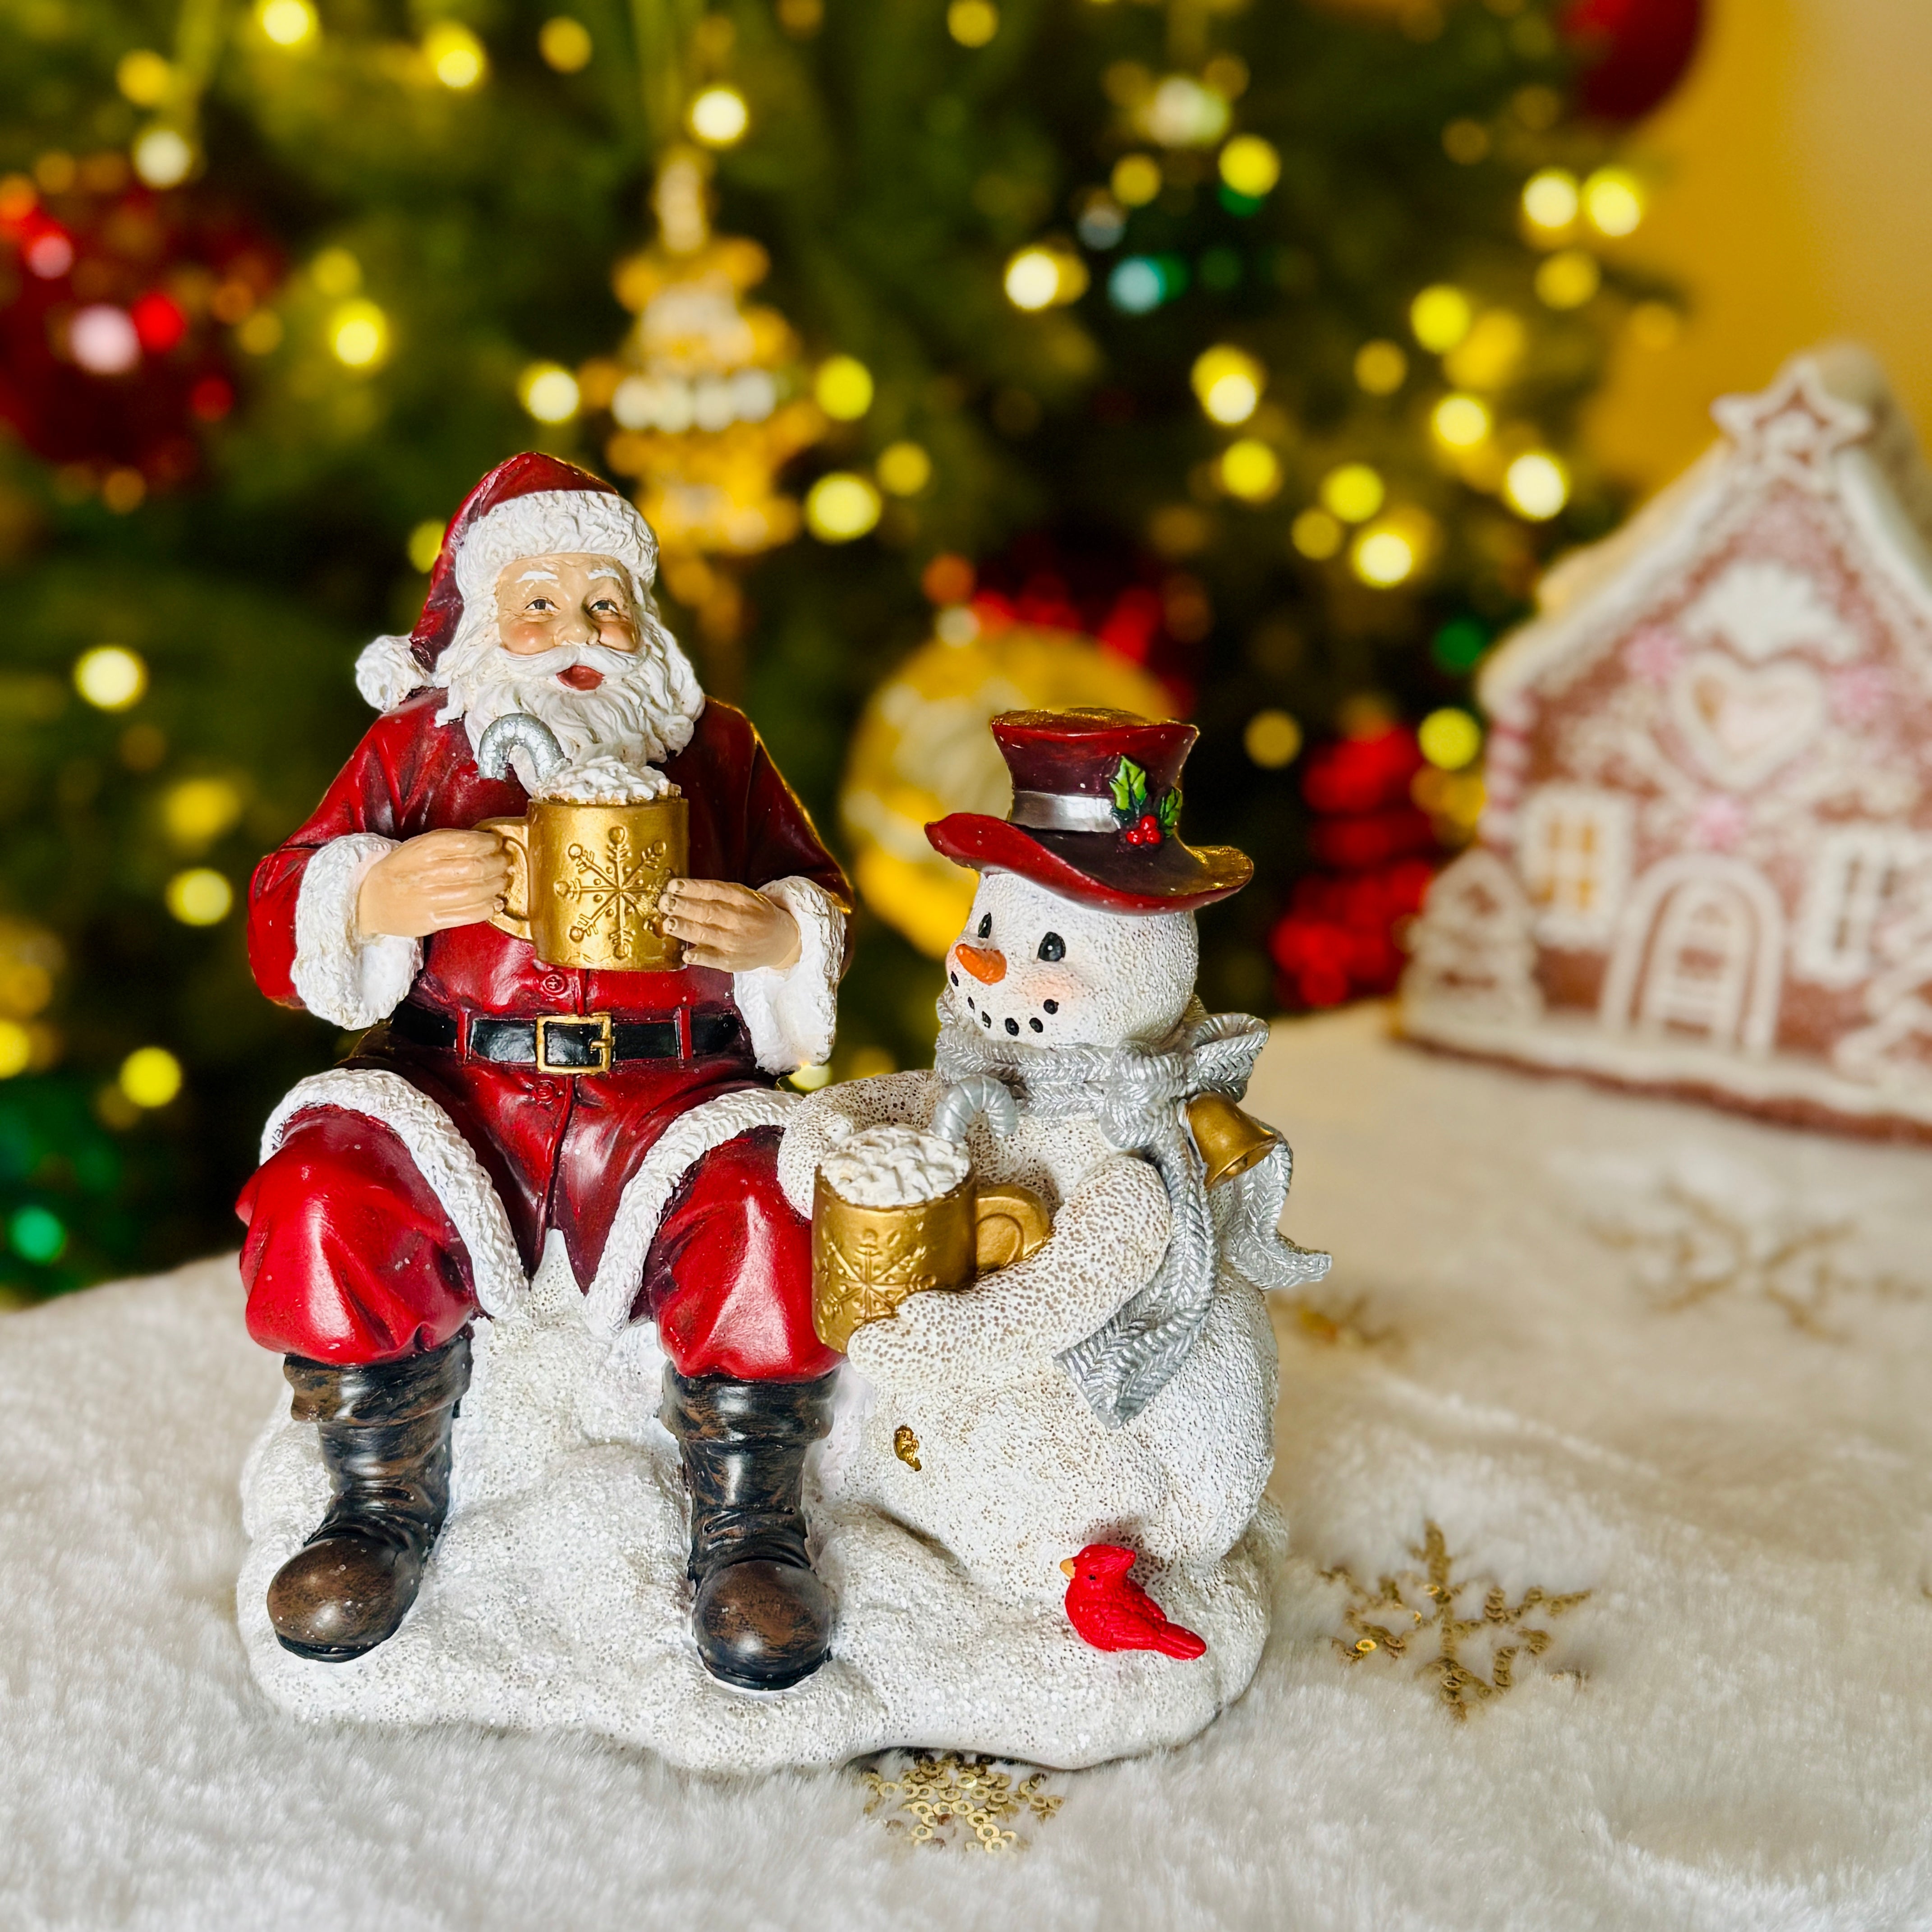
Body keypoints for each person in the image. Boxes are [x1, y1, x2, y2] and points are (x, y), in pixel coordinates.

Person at [238, 452, 849, 1690]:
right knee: (321, 1189)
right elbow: (279, 906)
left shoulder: (712, 749)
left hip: (671, 1096)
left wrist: (780, 934)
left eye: (605, 601)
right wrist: (377, 890)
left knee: (773, 1209)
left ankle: (747, 1523)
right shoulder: (418, 749)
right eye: (540, 603)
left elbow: (818, 891)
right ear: (481, 620)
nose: (578, 632)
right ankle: (375, 1498)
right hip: (458, 1091)